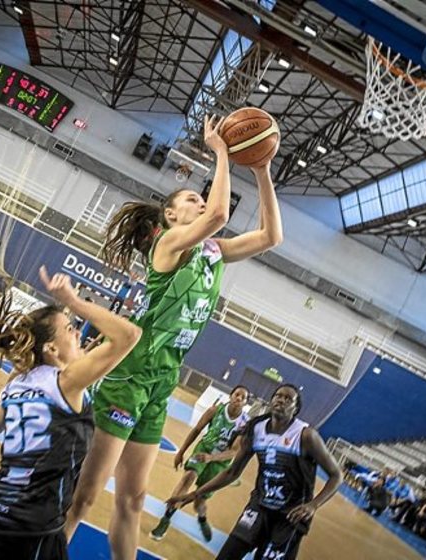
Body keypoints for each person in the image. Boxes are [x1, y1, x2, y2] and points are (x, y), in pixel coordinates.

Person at [64, 114, 283, 559]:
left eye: (200, 198)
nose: (201, 203)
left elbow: (271, 237)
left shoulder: (214, 252)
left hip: (162, 382)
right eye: (191, 198)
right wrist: (221, 151)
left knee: (133, 499)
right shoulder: (167, 246)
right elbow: (219, 214)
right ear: (170, 216)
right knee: (85, 497)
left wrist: (262, 170)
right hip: (130, 376)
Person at [0, 270, 141, 560]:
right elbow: (129, 335)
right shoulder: (67, 382)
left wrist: (17, 373)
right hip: (30, 531)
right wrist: (73, 301)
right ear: (51, 348)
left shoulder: (20, 382)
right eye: (70, 329)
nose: (78, 333)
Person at [168, 384, 343, 560]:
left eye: (288, 398)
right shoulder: (256, 430)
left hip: (290, 515)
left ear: (295, 408)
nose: (281, 400)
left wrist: (313, 505)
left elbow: (336, 475)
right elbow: (232, 472)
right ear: (271, 400)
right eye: (278, 396)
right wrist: (196, 493)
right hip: (259, 505)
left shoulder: (306, 436)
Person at [150, 385, 250, 542]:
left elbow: (233, 452)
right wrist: (181, 452)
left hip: (220, 461)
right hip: (203, 450)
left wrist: (211, 458)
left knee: (200, 501)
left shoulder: (244, 424)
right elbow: (196, 429)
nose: (239, 398)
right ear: (230, 396)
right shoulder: (215, 411)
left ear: (245, 403)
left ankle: (202, 519)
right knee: (188, 478)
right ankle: (165, 520)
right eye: (237, 394)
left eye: (243, 397)